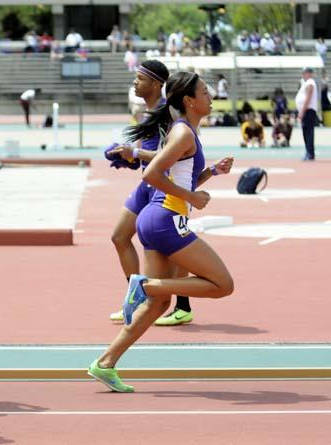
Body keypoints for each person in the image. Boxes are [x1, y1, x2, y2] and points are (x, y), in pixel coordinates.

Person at [89, 71, 235, 392]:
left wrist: (211, 172)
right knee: (223, 284)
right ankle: (146, 285)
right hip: (165, 219)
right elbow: (152, 174)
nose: (211, 97)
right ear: (190, 101)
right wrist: (193, 198)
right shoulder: (183, 134)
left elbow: (183, 180)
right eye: (205, 93)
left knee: (157, 307)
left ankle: (105, 363)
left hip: (159, 219)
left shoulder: (185, 132)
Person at [108, 61, 194, 327]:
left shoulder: (168, 115)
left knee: (172, 249)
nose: (134, 83)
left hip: (166, 187)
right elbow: (146, 155)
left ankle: (183, 306)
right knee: (119, 236)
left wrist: (133, 153)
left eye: (139, 78)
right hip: (146, 185)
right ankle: (134, 300)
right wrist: (126, 157)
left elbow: (173, 155)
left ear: (156, 84)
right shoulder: (146, 114)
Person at [296, 67, 319, 160]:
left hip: (308, 110)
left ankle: (310, 153)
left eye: (304, 73)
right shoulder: (306, 83)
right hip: (306, 110)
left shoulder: (310, 83)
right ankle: (309, 152)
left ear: (309, 73)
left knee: (308, 132)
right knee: (306, 132)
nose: (303, 75)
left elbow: (308, 98)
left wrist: (302, 111)